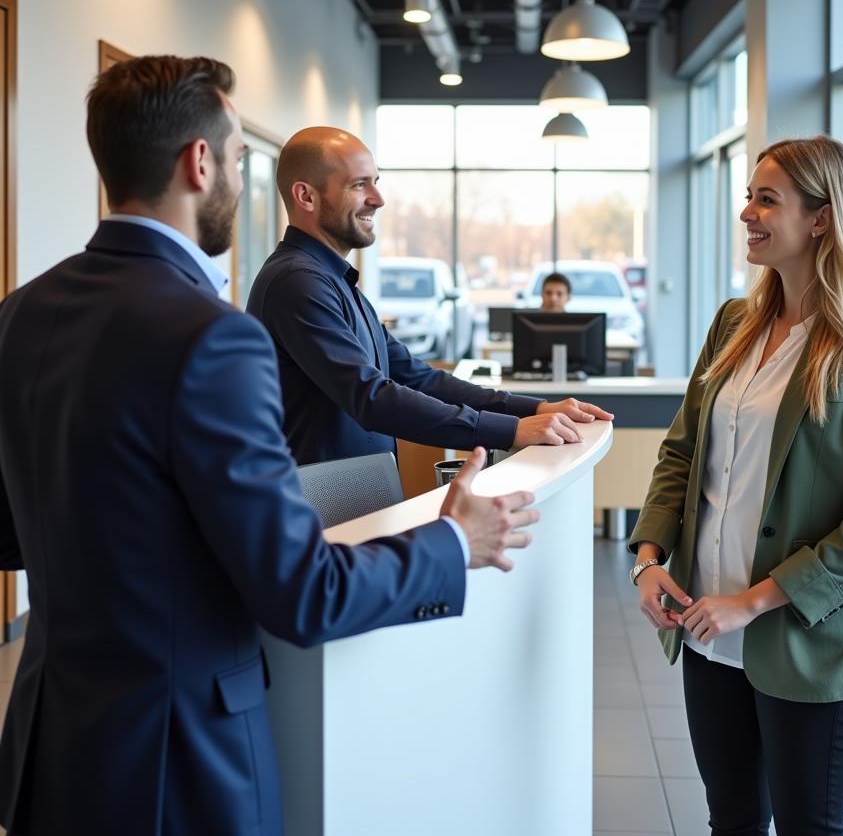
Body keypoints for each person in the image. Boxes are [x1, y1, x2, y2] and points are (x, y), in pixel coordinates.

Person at [0, 56, 539, 836]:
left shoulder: (19, 316)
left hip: (49, 746)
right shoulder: (213, 339)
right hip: (177, 765)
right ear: (199, 163)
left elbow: (13, 529)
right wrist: (454, 542)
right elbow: (301, 594)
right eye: (239, 161)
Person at [628, 136, 843, 836]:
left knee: (805, 828)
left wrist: (750, 604)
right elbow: (682, 453)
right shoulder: (735, 323)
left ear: (820, 218)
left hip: (801, 639)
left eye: (767, 199)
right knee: (730, 819)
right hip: (708, 634)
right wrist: (647, 559)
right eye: (748, 196)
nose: (747, 213)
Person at [247, 127, 612, 468]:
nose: (378, 199)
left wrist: (533, 409)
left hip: (352, 498)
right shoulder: (298, 282)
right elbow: (370, 397)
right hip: (319, 508)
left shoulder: (334, 280)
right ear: (306, 195)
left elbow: (417, 377)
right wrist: (510, 431)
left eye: (375, 182)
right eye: (359, 185)